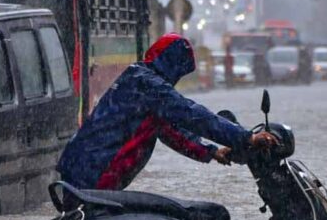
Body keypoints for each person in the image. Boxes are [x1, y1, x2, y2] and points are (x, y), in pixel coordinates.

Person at [57, 33, 278, 191]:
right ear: (172, 64)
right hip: (94, 176)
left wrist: (211, 152)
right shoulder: (149, 86)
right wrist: (246, 137)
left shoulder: (137, 78)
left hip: (79, 172)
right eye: (180, 71)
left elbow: (172, 132)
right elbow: (192, 115)